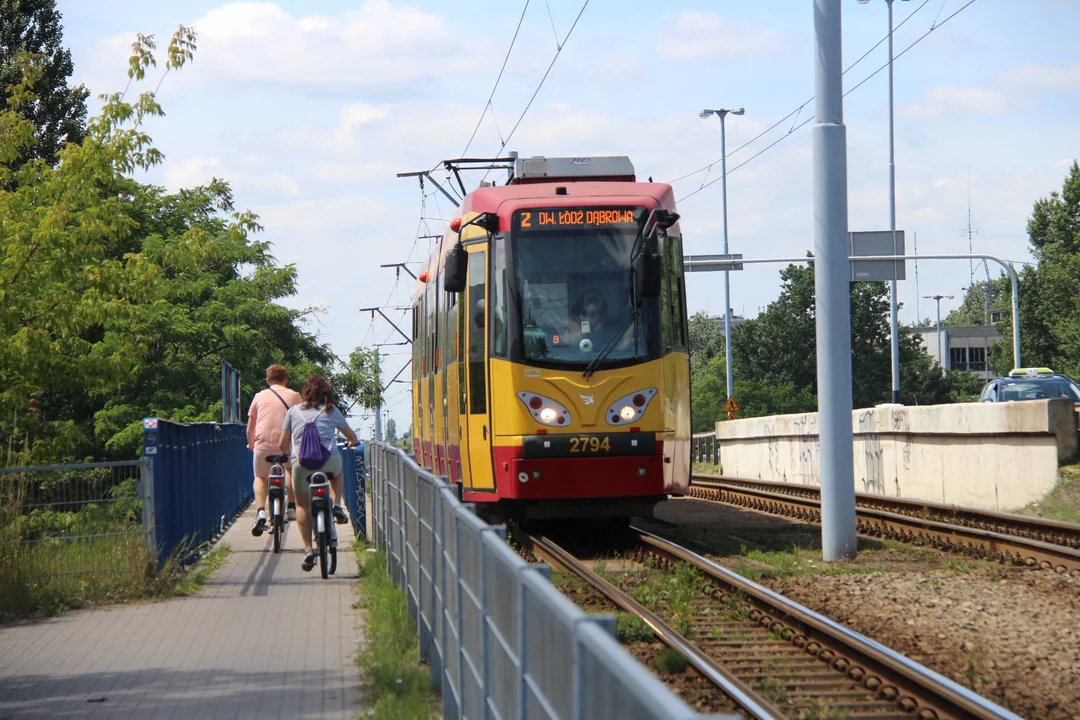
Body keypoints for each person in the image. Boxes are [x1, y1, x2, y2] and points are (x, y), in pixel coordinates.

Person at [279, 373, 360, 572]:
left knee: (302, 505)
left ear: (305, 393)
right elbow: (353, 438)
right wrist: (351, 444)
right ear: (327, 394)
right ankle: (337, 505)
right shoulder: (332, 411)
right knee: (338, 473)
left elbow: (282, 444)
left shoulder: (292, 412)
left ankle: (308, 550)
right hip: (329, 462)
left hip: (302, 465)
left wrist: (287, 453)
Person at [247, 364, 302, 536]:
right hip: (286, 444)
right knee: (289, 470)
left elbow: (250, 428)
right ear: (285, 379)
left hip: (262, 444)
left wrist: (251, 445)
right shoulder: (294, 396)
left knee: (260, 477)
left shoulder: (259, 396)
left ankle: (261, 511)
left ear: (267, 380)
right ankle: (291, 507)